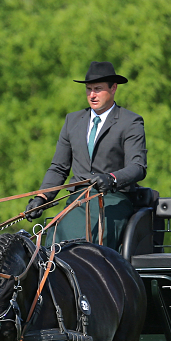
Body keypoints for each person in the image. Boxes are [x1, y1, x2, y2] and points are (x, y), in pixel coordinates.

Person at [25, 61, 146, 250]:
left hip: (112, 200)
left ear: (113, 88)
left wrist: (112, 178)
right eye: (88, 89)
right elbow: (59, 167)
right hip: (78, 201)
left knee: (91, 246)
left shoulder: (130, 121)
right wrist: (42, 198)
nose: (92, 95)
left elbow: (138, 167)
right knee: (52, 241)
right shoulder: (72, 121)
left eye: (98, 89)